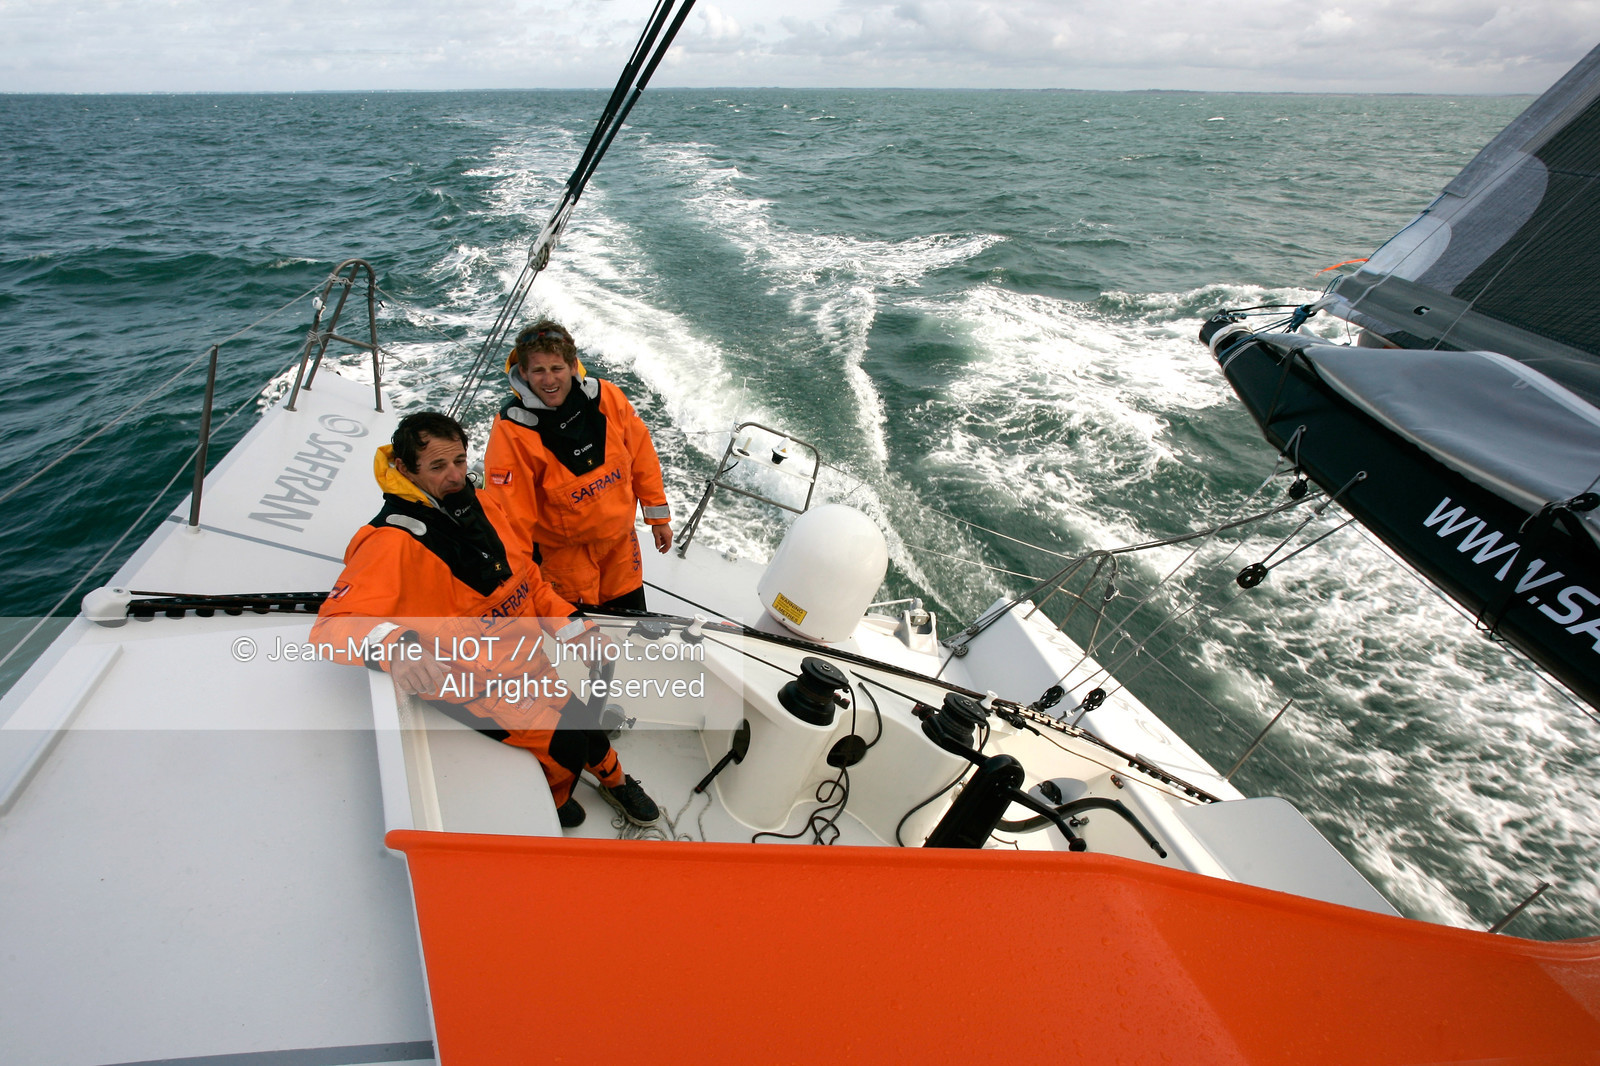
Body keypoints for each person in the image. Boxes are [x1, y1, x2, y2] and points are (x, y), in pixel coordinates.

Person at [312, 411, 659, 829]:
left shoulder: (483, 503)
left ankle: (616, 781)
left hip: (525, 659)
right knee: (565, 745)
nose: (455, 475)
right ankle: (555, 798)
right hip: (471, 682)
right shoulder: (387, 542)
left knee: (587, 725)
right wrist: (397, 646)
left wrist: (576, 629)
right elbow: (331, 626)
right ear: (404, 469)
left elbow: (528, 578)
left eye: (459, 461)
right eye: (438, 467)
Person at [482, 319, 671, 613]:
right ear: (523, 372)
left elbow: (642, 457)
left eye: (556, 368)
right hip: (563, 563)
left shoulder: (608, 396)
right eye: (538, 370)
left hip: (621, 548)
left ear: (573, 366)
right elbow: (510, 516)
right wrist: (519, 581)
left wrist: (658, 516)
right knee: (583, 641)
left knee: (632, 629)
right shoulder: (511, 430)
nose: (549, 380)